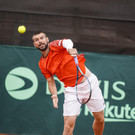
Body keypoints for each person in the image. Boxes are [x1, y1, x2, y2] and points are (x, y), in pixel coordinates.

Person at [32, 31, 105, 135]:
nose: (40, 41)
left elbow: (67, 42)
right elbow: (50, 81)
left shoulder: (55, 45)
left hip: (89, 83)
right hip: (71, 90)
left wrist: (70, 49)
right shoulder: (42, 64)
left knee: (100, 119)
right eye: (36, 40)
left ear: (47, 39)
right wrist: (54, 94)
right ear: (34, 44)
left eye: (42, 38)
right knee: (67, 127)